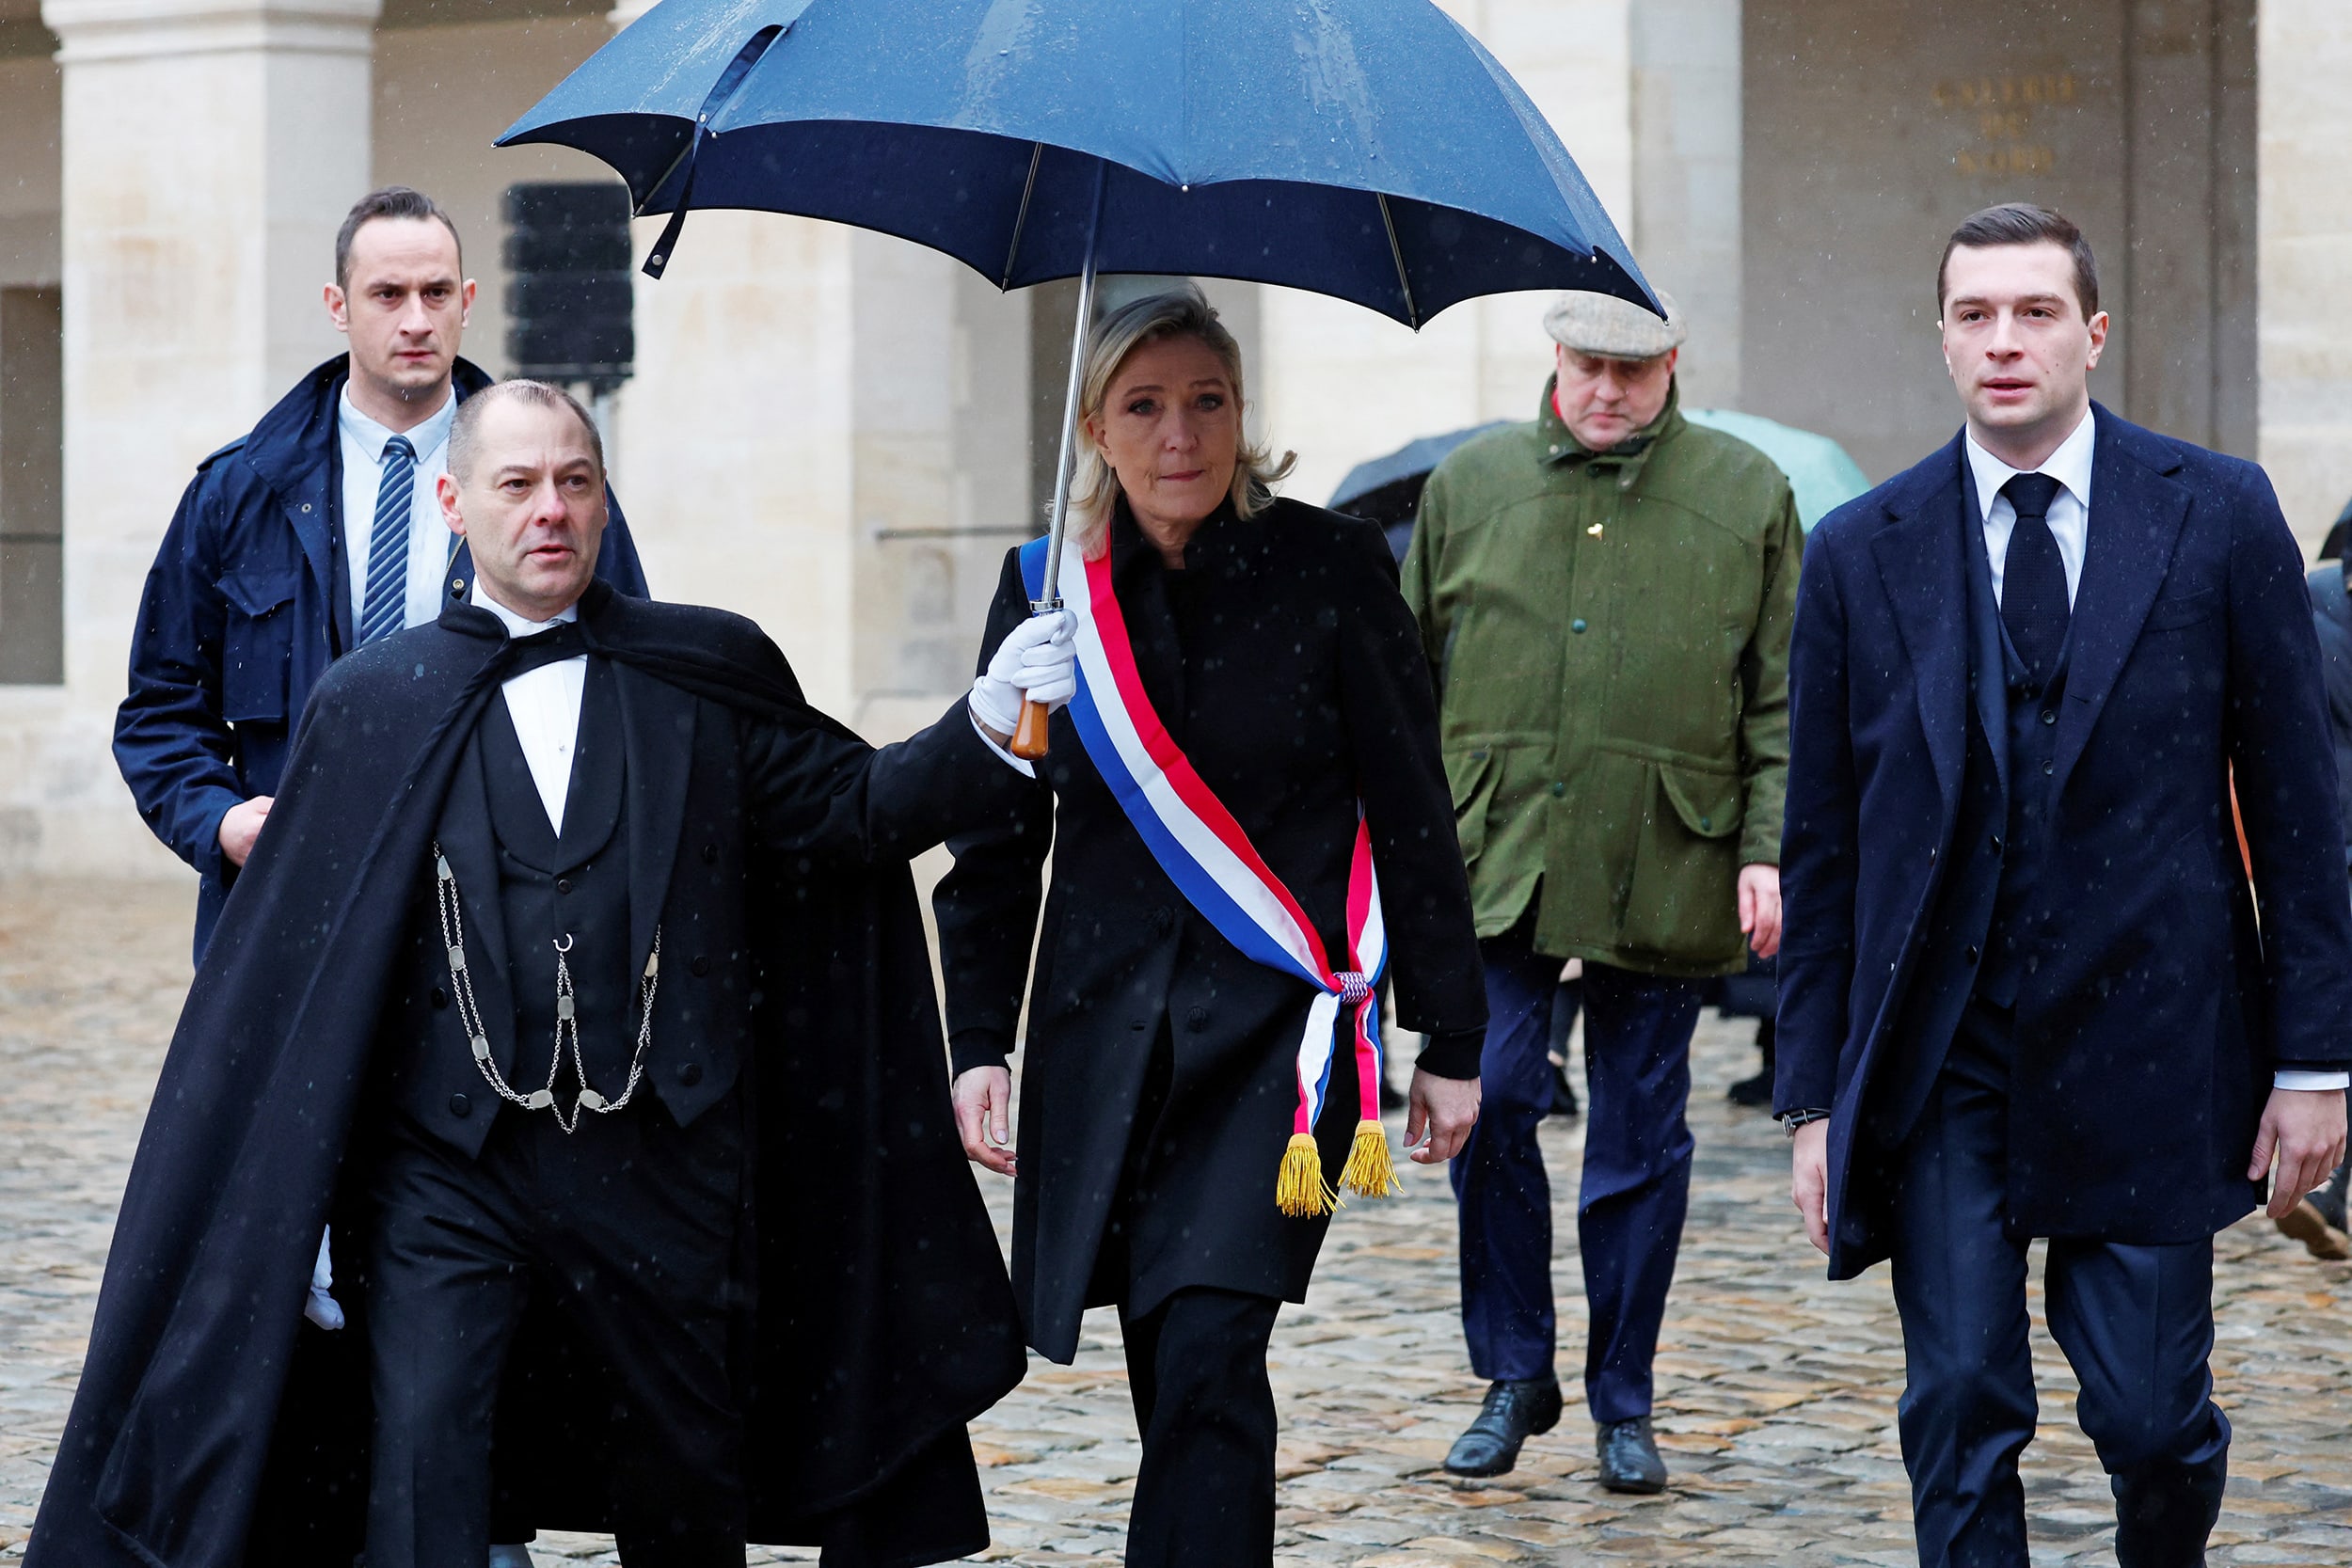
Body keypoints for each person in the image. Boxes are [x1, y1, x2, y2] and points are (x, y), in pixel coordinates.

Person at [31, 382, 1079, 1568]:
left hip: (668, 1163)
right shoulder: (374, 702)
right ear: (453, 502)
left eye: (574, 482)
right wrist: (297, 1205)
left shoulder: (705, 667)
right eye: (516, 485)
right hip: (446, 1169)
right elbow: (294, 986)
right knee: (424, 1463)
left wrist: (987, 716)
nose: (549, 510)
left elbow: (853, 812)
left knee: (684, 1485)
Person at [1779, 202, 2352, 1567]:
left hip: (2154, 1044)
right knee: (1961, 1400)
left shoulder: (2216, 513)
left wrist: (2319, 1057)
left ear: (2093, 333)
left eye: (2035, 312)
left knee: (2154, 1418)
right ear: (1942, 339)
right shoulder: (1863, 548)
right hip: (1944, 1054)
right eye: (1975, 314)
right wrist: (1813, 1094)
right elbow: (1825, 844)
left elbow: (2300, 801)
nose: (2004, 341)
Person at [933, 286, 1486, 1568]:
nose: (1179, 433)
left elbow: (1412, 805)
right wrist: (976, 1040)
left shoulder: (1336, 567)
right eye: (1144, 405)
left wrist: (1449, 1032)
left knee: (1210, 1346)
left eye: (1207, 401)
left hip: (1276, 1047)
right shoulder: (1043, 595)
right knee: (1169, 1360)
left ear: (1244, 415)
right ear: (1095, 427)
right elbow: (994, 846)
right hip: (1106, 1045)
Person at [1402, 290, 1801, 1489]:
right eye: (1588, 365)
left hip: (1668, 856)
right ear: (1556, 358)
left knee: (1640, 1137)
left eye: (1634, 370)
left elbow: (1781, 693)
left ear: (1676, 362)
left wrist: (1764, 843)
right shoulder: (1468, 486)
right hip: (1493, 853)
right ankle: (1513, 1368)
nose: (1608, 391)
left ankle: (1623, 1394)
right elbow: (1403, 682)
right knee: (1493, 1097)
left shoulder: (1745, 492)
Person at [114, 185, 649, 961]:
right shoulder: (240, 491)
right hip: (301, 909)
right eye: (387, 294)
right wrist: (220, 822)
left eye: (436, 293)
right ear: (339, 304)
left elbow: (628, 680)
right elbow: (160, 710)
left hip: (503, 910)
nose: (416, 320)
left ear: (467, 301)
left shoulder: (551, 485)